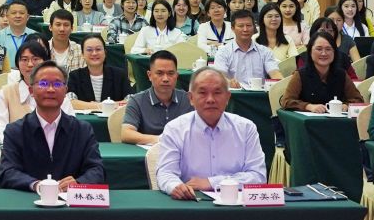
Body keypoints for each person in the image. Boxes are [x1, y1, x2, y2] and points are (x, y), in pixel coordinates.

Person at [154, 67, 269, 198]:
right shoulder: (175, 129)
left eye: (217, 93)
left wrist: (212, 182)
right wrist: (175, 186)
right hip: (191, 202)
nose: (210, 99)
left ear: (228, 97)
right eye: (202, 93)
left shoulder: (246, 128)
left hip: (235, 203)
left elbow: (258, 176)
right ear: (191, 98)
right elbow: (165, 173)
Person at [0, 62, 104, 193]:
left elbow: (97, 169)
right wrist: (36, 185)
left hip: (70, 201)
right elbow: (8, 172)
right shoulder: (15, 131)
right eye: (43, 84)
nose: (50, 90)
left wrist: (78, 183)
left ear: (65, 91)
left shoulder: (82, 130)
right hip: (29, 200)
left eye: (57, 84)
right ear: (31, 91)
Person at [0, 40, 53, 143]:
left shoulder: (57, 92)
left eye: (35, 59)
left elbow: (69, 129)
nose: (30, 64)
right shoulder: (6, 93)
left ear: (45, 62)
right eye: (24, 59)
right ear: (17, 64)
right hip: (17, 150)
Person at [281, 32, 362, 113]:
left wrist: (346, 106)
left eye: (328, 49)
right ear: (310, 51)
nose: (323, 53)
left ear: (334, 52)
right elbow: (286, 101)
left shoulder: (342, 74)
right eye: (319, 49)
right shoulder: (300, 74)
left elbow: (358, 99)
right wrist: (308, 106)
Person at [213, 10, 280, 88]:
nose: (245, 29)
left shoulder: (265, 52)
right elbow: (220, 76)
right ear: (233, 28)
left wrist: (282, 82)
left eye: (248, 25)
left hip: (259, 94)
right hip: (234, 93)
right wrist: (229, 82)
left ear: (254, 27)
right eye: (241, 26)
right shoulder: (223, 52)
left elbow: (274, 72)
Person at [68, 35, 130, 109]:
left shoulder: (119, 75)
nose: (94, 53)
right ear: (82, 54)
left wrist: (92, 106)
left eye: (98, 49)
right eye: (89, 50)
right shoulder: (75, 76)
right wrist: (101, 106)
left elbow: (130, 100)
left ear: (105, 53)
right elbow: (70, 102)